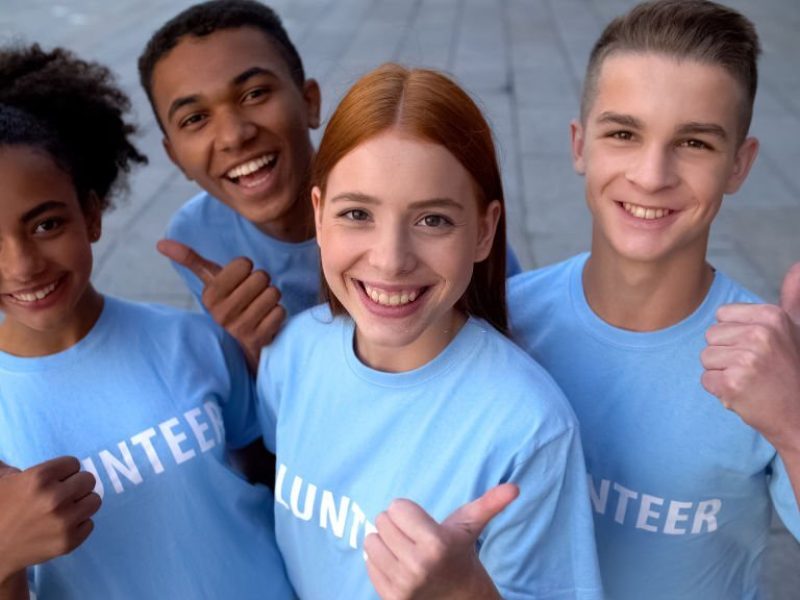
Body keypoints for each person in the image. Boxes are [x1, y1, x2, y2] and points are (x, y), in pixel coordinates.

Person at [257, 63, 602, 599]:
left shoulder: (528, 427)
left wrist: (466, 593)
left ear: (485, 232)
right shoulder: (292, 354)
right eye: (357, 214)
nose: (391, 260)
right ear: (319, 215)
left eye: (433, 220)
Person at [507, 1, 800, 598]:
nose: (651, 174)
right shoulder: (510, 321)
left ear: (739, 166)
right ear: (580, 145)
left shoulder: (768, 361)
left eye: (693, 142)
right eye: (623, 133)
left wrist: (793, 421)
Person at [0, 44, 294, 599]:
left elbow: (274, 476)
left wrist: (265, 356)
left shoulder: (190, 338)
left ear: (90, 215)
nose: (21, 264)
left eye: (45, 225)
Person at [137, 0, 522, 370]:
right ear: (175, 158)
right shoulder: (196, 238)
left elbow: (510, 326)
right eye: (194, 118)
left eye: (255, 94)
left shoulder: (426, 202)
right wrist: (248, 351)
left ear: (310, 102)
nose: (234, 135)